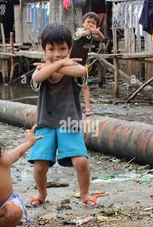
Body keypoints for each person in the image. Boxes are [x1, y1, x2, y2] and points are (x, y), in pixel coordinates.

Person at [27, 22, 99, 207]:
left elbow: (81, 71)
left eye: (62, 49)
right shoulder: (40, 70)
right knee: (39, 164)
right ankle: (41, 193)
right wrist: (61, 63)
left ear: (69, 49)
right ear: (44, 50)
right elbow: (37, 78)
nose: (56, 53)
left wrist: (54, 65)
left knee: (81, 161)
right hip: (45, 122)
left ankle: (85, 194)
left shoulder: (74, 68)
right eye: (51, 49)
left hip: (70, 121)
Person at [70, 12, 104, 116]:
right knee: (71, 86)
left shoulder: (91, 36)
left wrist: (97, 32)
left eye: (93, 23)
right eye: (88, 22)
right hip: (71, 64)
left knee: (84, 86)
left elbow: (102, 38)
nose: (90, 24)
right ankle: (70, 108)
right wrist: (90, 31)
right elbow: (80, 35)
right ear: (83, 23)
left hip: (83, 65)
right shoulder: (79, 31)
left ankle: (88, 109)